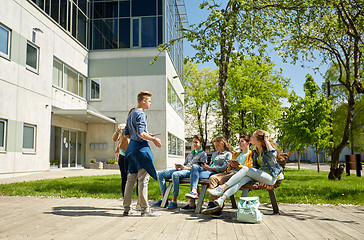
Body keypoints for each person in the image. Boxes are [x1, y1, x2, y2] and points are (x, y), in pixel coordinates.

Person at [207, 130, 284, 213]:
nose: (251, 137)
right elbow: (255, 167)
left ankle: (222, 188)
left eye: (253, 137)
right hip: (260, 175)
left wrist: (266, 140)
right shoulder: (255, 150)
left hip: (271, 178)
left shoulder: (266, 149)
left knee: (246, 169)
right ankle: (222, 199)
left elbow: (273, 154)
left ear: (258, 141)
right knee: (242, 180)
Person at [123, 91, 162, 217]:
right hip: (140, 149)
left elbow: (126, 134)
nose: (150, 104)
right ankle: (145, 209)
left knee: (131, 180)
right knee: (143, 180)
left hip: (131, 149)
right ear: (143, 101)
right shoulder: (141, 114)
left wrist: (146, 134)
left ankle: (127, 208)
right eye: (149, 101)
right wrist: (153, 139)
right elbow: (140, 133)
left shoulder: (131, 114)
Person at [152, 135, 207, 211]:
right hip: (183, 170)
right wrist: (179, 167)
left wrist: (185, 168)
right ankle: (164, 199)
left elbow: (200, 168)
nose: (194, 144)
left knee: (175, 174)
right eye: (193, 142)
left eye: (196, 142)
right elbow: (185, 163)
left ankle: (174, 201)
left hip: (190, 172)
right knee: (161, 173)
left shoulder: (203, 154)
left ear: (201, 143)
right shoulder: (191, 153)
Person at [202, 135, 252, 216]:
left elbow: (249, 168)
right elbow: (228, 169)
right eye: (239, 141)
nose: (239, 143)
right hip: (230, 173)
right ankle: (213, 204)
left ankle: (215, 206)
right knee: (213, 178)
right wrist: (230, 166)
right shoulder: (237, 154)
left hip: (240, 175)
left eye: (242, 141)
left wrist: (237, 166)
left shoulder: (251, 154)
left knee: (220, 180)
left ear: (248, 143)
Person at [184, 136, 232, 205]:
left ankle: (192, 202)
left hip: (216, 173)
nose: (216, 147)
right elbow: (211, 164)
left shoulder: (228, 154)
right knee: (194, 167)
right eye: (215, 146)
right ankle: (194, 191)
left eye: (217, 145)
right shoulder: (215, 153)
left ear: (223, 144)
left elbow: (224, 167)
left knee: (193, 175)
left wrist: (210, 168)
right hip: (208, 170)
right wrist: (206, 167)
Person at [112, 123, 129, 198]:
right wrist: (118, 132)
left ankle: (128, 199)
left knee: (129, 179)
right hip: (124, 157)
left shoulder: (128, 135)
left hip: (127, 157)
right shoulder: (122, 136)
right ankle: (125, 199)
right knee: (125, 179)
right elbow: (114, 139)